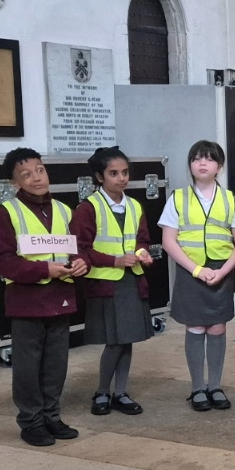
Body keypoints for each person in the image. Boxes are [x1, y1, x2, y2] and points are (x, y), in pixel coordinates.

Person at [0, 148, 86, 446]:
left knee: (56, 364)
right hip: (27, 302)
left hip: (61, 299)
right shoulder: (5, 213)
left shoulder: (64, 210)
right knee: (28, 368)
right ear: (15, 182)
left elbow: (78, 249)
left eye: (40, 170)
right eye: (26, 174)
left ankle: (51, 417)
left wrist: (81, 263)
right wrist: (45, 269)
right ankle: (31, 421)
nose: (36, 178)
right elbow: (2, 260)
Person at [160, 140, 235, 412]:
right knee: (195, 327)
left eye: (209, 159)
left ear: (219, 166)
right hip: (191, 271)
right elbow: (168, 241)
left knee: (217, 328)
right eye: (197, 159)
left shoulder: (230, 200)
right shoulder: (178, 198)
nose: (202, 163)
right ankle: (197, 388)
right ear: (190, 165)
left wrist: (223, 271)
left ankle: (215, 386)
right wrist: (197, 269)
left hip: (221, 271)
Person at [72, 146, 153, 417]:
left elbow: (142, 239)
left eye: (125, 172)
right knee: (115, 341)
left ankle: (120, 392)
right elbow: (81, 248)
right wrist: (114, 260)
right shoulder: (88, 208)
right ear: (99, 177)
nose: (121, 178)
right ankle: (102, 392)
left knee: (127, 339)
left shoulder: (134, 206)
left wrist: (142, 253)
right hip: (106, 284)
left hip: (132, 281)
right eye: (114, 173)